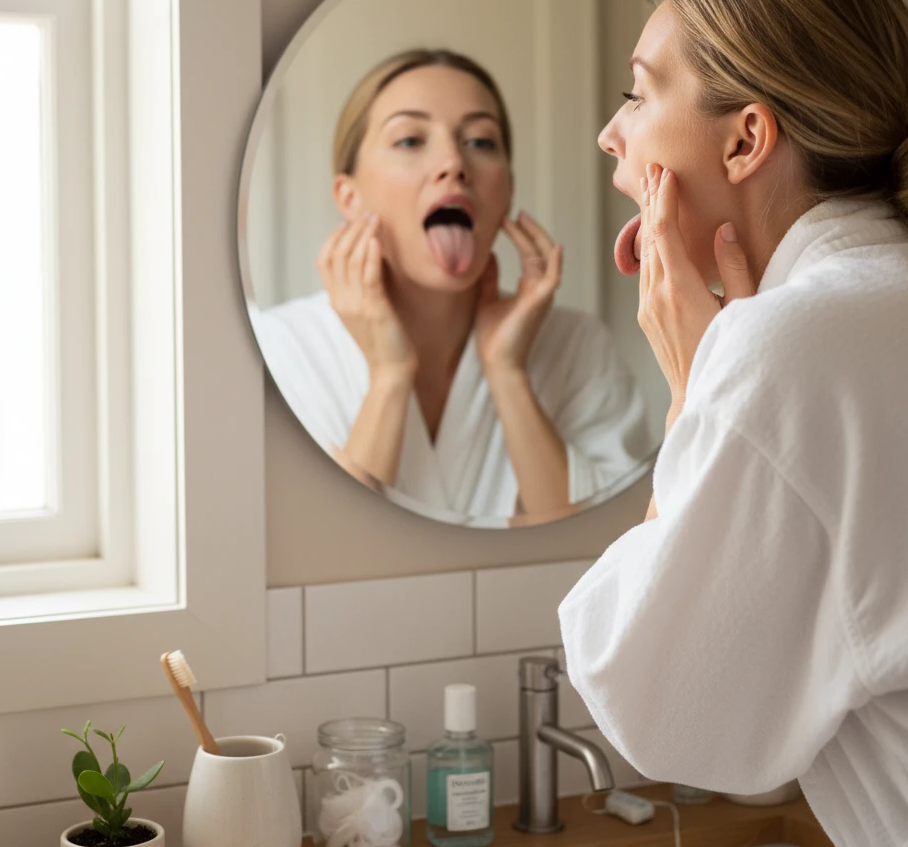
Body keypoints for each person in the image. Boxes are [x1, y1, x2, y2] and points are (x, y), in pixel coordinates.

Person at [557, 0, 908, 847]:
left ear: (745, 139)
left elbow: (664, 715)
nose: (612, 133)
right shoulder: (902, 289)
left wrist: (695, 391)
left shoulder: (786, 349)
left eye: (639, 93)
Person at [259, 48, 652, 525]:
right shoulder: (281, 349)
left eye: (481, 142)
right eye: (409, 140)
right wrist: (388, 376)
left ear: (507, 188)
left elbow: (593, 548)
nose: (453, 163)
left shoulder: (577, 347)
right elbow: (320, 548)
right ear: (349, 196)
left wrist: (507, 373)